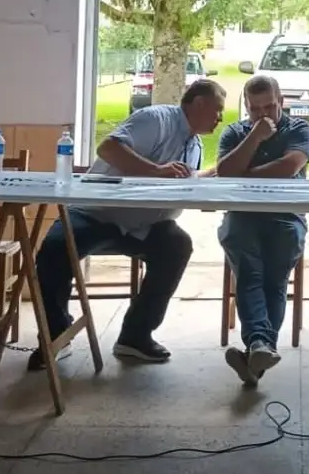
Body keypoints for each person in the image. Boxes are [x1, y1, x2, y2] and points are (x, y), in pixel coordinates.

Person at [30, 78, 226, 371]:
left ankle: (135, 335)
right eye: (218, 110)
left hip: (144, 223)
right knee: (55, 248)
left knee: (177, 245)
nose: (220, 118)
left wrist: (209, 176)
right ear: (199, 103)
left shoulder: (194, 145)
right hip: (96, 212)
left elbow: (181, 178)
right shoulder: (156, 118)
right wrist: (156, 171)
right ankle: (56, 334)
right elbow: (108, 148)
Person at [217, 75, 309, 388]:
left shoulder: (299, 129)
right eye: (255, 109)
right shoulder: (235, 132)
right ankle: (261, 348)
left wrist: (243, 175)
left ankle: (255, 352)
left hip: (286, 215)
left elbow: (289, 168)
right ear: (246, 107)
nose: (263, 115)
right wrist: (254, 139)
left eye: (269, 106)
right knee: (249, 272)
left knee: (273, 275)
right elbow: (224, 172)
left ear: (281, 101)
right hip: (242, 215)